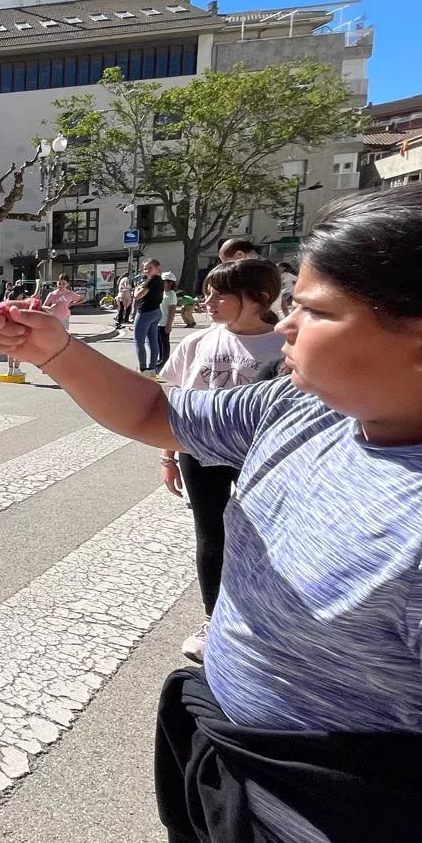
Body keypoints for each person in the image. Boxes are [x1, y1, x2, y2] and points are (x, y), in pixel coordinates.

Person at [0, 178, 422, 843]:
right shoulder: (303, 408)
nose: (288, 325)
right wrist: (56, 352)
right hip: (231, 771)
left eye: (317, 311)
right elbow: (158, 411)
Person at [155, 259, 285, 663]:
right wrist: (169, 455)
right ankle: (214, 619)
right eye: (207, 292)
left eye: (220, 294)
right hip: (202, 452)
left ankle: (267, 618)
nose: (208, 301)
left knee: (267, 536)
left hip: (263, 457)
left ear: (261, 298)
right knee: (211, 533)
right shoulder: (197, 343)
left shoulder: (285, 344)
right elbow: (171, 397)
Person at [130, 259, 166, 373]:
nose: (147, 271)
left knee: (139, 341)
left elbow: (137, 296)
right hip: (156, 312)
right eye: (145, 268)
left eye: (150, 268)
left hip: (145, 313)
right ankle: (152, 367)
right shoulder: (160, 280)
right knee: (152, 340)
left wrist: (136, 289)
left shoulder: (150, 281)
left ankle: (143, 368)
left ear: (157, 268)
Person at [158, 270, 179, 368]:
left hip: (165, 323)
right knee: (159, 342)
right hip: (158, 322)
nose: (162, 283)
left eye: (164, 281)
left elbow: (172, 311)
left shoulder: (171, 294)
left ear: (170, 282)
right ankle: (160, 358)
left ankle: (165, 361)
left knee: (164, 343)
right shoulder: (162, 293)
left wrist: (169, 324)